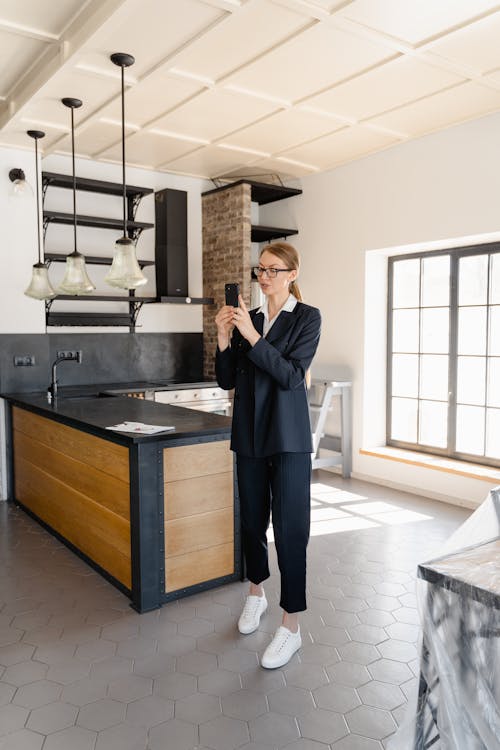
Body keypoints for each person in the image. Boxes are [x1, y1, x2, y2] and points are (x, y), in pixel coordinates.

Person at [215, 241, 321, 669]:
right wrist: (224, 337)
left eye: (273, 270)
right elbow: (227, 381)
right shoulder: (249, 319)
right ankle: (255, 594)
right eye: (260, 269)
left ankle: (291, 626)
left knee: (292, 530)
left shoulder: (307, 318)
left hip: (290, 439)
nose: (264, 277)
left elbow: (292, 376)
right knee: (252, 522)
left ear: (292, 274)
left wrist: (253, 337)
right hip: (250, 438)